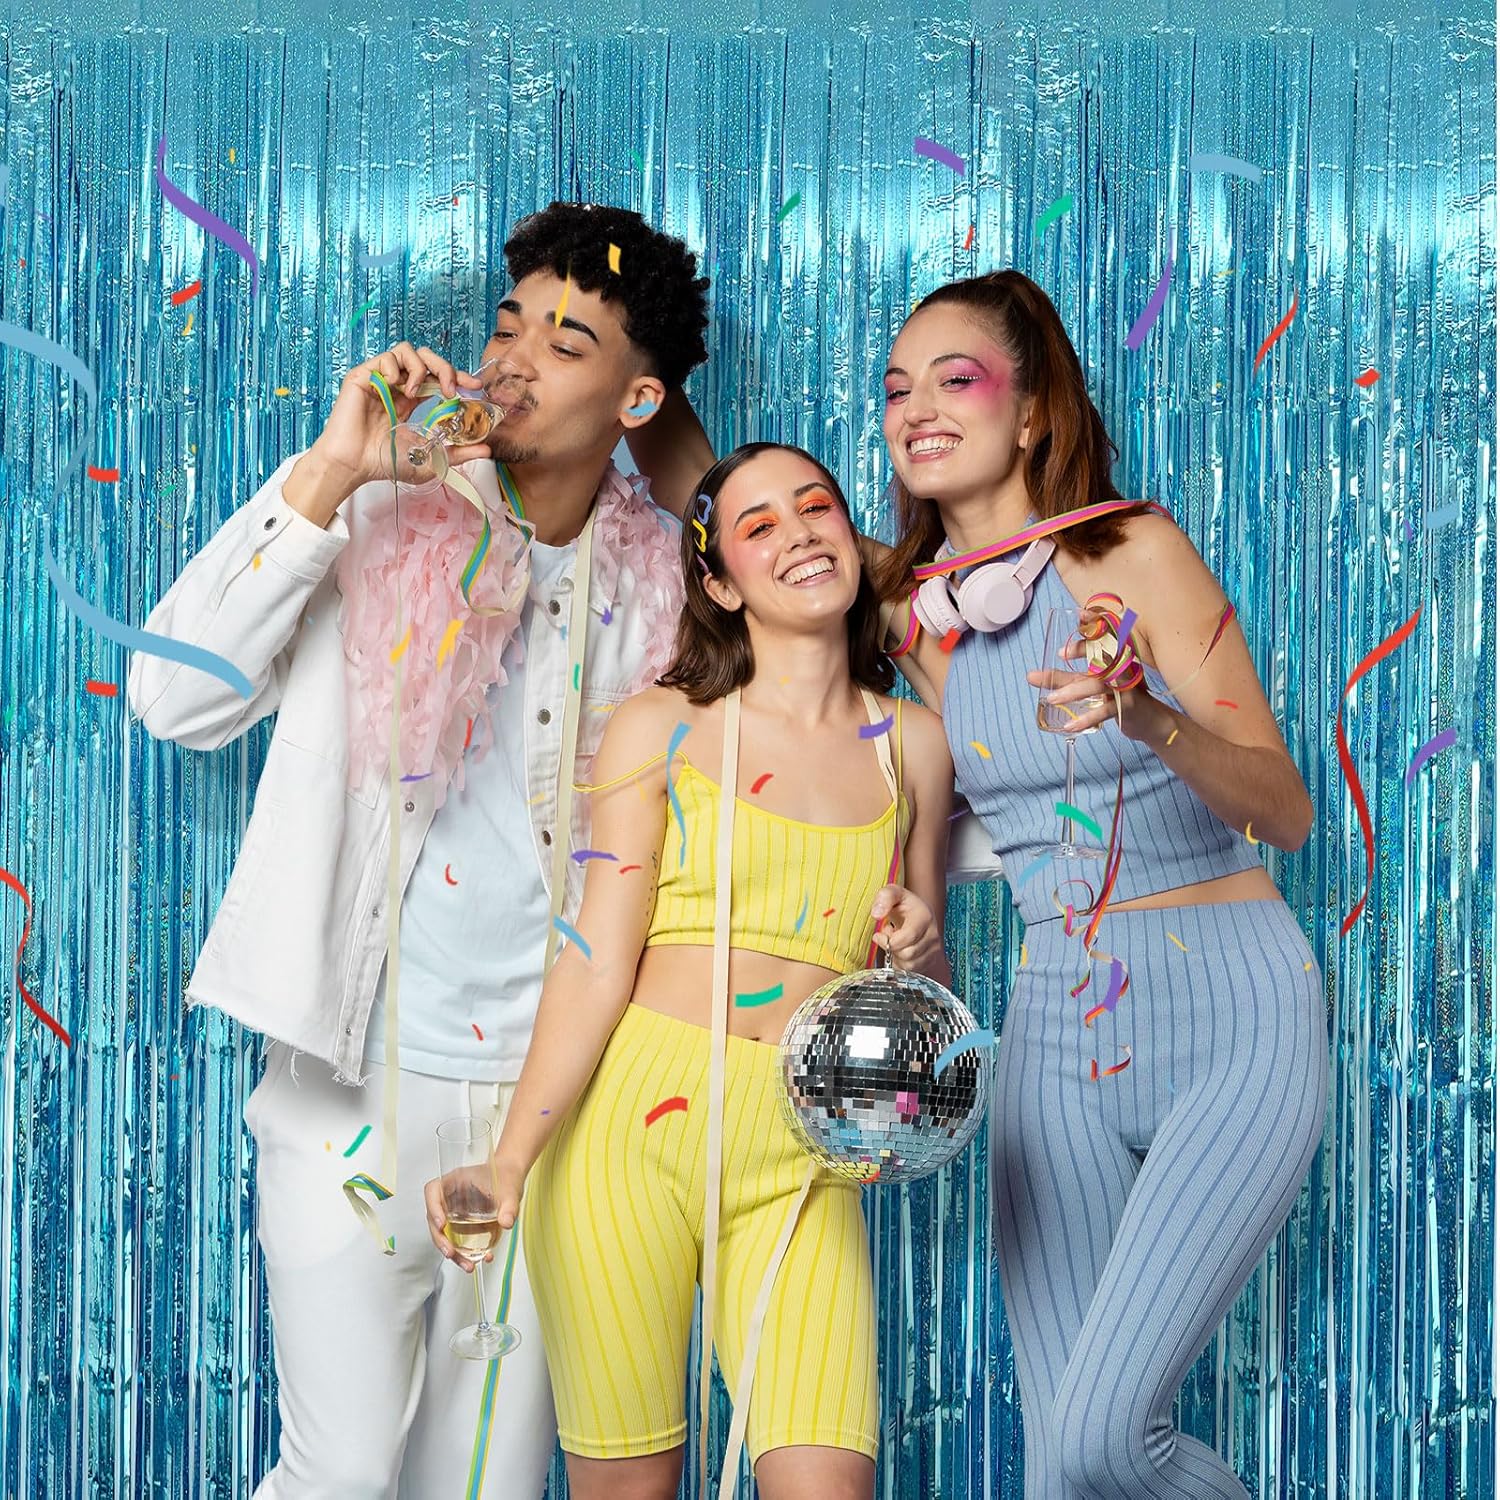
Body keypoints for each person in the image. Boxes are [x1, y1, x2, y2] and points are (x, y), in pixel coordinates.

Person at [127, 201, 711, 1500]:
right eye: (509, 324)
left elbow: (819, 707)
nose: (514, 357)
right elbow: (173, 699)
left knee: (484, 1486)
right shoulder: (376, 506)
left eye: (568, 341)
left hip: (550, 1110)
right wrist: (334, 471)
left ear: (638, 400)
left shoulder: (671, 588)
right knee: (338, 1475)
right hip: (355, 1084)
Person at [872, 269, 1330, 1498]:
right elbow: (742, 515)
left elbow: (1287, 813)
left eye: (955, 379)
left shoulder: (1132, 550)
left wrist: (1145, 716)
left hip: (1232, 1009)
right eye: (897, 389)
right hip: (1054, 1031)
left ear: (1032, 413)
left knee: (1106, 1441)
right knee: (1063, 1470)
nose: (917, 408)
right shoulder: (920, 614)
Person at [425, 442, 956, 1500]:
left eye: (817, 507)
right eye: (759, 526)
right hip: (630, 1132)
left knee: (830, 1484)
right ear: (718, 584)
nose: (800, 533)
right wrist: (511, 1161)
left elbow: (927, 983)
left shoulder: (914, 745)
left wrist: (918, 938)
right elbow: (595, 959)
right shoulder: (661, 726)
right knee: (631, 1485)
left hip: (806, 1144)